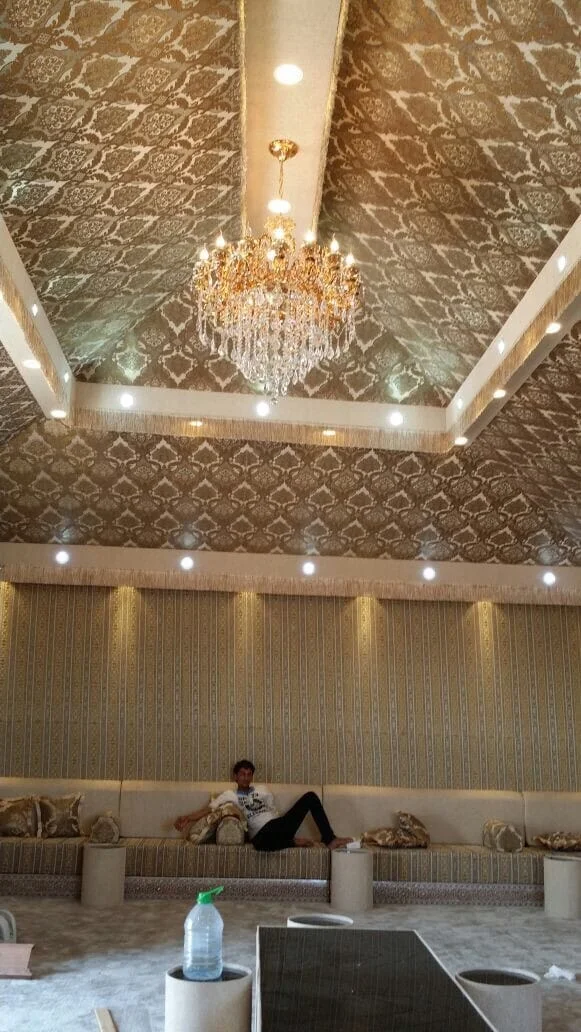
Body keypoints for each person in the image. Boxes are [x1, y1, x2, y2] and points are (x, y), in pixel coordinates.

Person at [175, 759, 352, 852]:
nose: (246, 777)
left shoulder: (262, 790)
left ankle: (330, 839)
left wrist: (284, 825)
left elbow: (273, 810)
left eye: (249, 774)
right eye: (242, 774)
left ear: (252, 776)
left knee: (310, 796)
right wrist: (187, 818)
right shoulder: (230, 795)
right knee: (258, 844)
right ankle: (291, 842)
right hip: (260, 833)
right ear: (235, 777)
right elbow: (209, 810)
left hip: (279, 826)